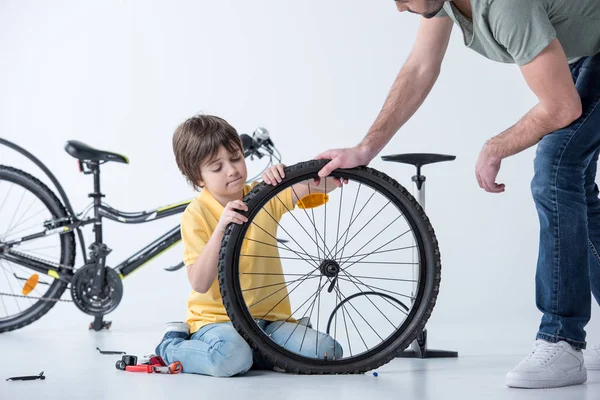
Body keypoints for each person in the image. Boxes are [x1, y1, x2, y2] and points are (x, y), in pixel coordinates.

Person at [314, 0, 600, 389]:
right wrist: (365, 149)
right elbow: (419, 68)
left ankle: (562, 339)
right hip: (588, 51)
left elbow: (562, 107)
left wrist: (496, 145)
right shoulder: (442, 4)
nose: (400, 8)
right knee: (572, 182)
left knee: (556, 169)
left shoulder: (504, 6)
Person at [155, 114, 343, 377]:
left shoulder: (264, 194)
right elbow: (199, 282)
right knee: (229, 358)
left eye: (235, 158)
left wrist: (287, 177)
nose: (232, 170)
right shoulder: (195, 214)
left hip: (270, 322)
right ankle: (172, 347)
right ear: (198, 178)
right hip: (218, 322)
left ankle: (260, 355)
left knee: (328, 352)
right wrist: (221, 227)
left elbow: (326, 184)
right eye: (216, 167)